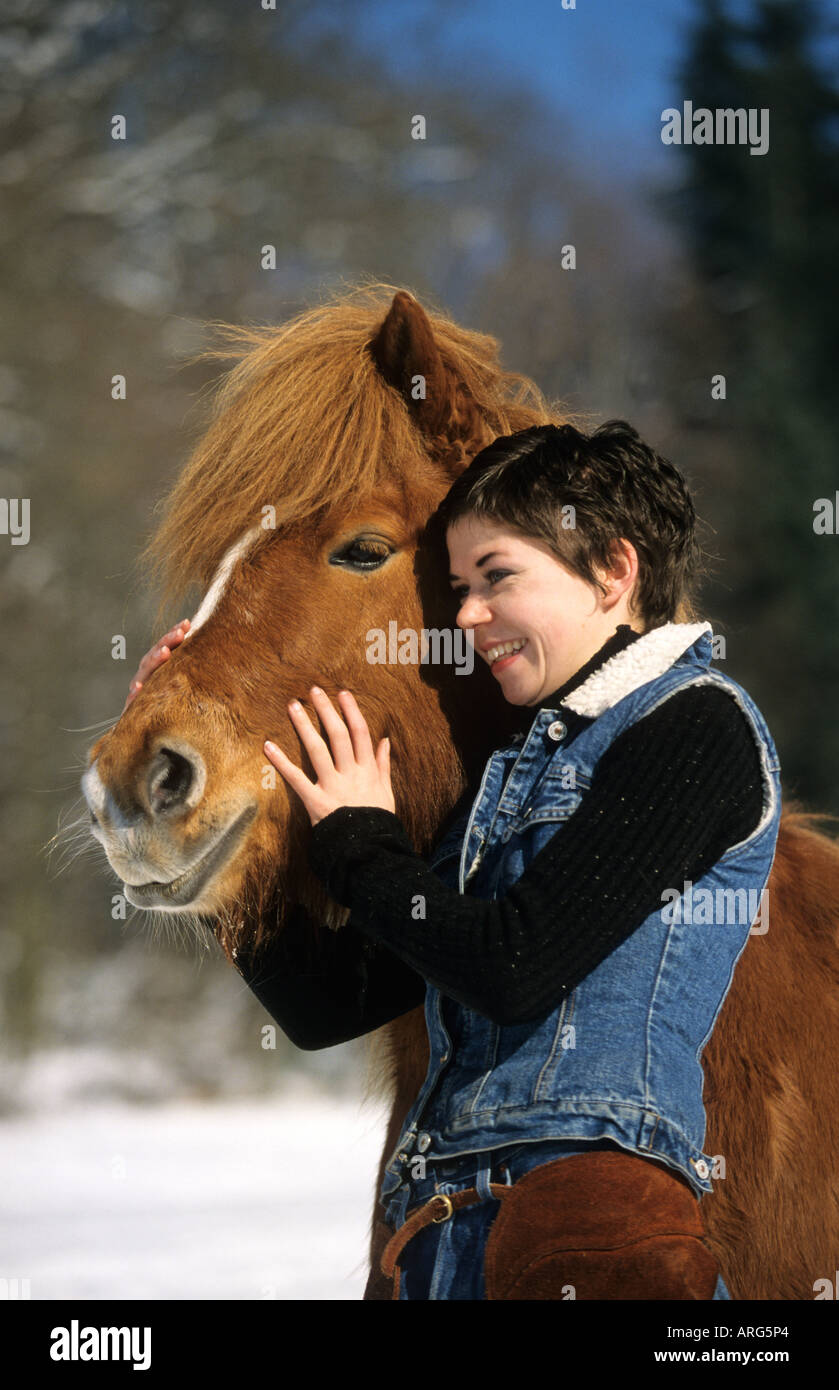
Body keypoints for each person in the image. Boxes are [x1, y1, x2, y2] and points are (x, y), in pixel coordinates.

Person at [126, 422, 781, 1301]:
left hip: (584, 1228)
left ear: (614, 572)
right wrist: (210, 847)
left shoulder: (697, 725)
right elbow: (329, 1003)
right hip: (439, 1228)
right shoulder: (508, 781)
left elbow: (513, 965)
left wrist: (361, 840)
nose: (466, 616)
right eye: (461, 586)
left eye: (497, 578)